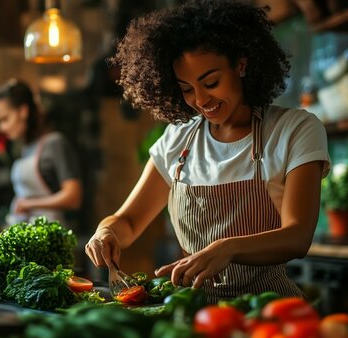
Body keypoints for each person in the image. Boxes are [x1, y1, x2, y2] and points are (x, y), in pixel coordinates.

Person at [84, 0, 331, 303]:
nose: (200, 100)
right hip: (192, 311)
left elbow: (298, 236)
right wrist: (106, 231)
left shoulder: (293, 130)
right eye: (186, 88)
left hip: (268, 310)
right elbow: (129, 222)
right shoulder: (177, 140)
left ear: (241, 64)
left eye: (211, 82)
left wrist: (227, 248)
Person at [0, 79, 82, 227]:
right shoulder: (26, 148)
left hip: (50, 235)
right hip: (27, 232)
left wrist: (28, 204)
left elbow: (73, 197)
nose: (1, 128)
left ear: (23, 111)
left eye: (5, 119)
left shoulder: (54, 143)